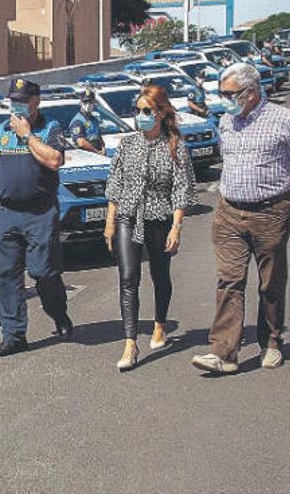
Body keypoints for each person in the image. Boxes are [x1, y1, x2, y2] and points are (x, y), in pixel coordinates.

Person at [191, 63, 290, 374]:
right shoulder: (226, 121)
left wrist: (287, 199)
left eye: (228, 94)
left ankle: (272, 341)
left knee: (270, 282)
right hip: (229, 212)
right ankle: (224, 352)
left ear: (250, 92)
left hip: (270, 212)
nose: (223, 99)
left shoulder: (284, 120)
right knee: (229, 280)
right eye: (221, 93)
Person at [0, 78, 74, 357]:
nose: (16, 105)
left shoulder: (50, 128)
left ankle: (59, 314)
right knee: (7, 277)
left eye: (22, 100)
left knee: (44, 273)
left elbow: (55, 160)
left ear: (36, 102)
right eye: (13, 100)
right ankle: (14, 335)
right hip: (6, 213)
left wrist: (28, 135)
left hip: (40, 213)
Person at [104, 85, 197, 371]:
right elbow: (115, 182)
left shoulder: (175, 146)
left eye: (147, 111)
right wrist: (110, 221)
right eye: (137, 111)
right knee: (128, 277)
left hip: (159, 218)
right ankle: (130, 343)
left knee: (160, 274)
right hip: (127, 217)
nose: (140, 116)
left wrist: (176, 227)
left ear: (160, 113)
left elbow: (182, 189)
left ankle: (160, 323)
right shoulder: (127, 144)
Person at [68, 87, 105, 154]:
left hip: (98, 153)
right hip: (86, 154)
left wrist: (103, 148)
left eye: (90, 102)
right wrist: (96, 151)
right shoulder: (78, 121)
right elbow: (81, 142)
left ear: (94, 103)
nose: (88, 105)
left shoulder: (94, 120)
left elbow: (98, 136)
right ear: (80, 103)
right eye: (85, 102)